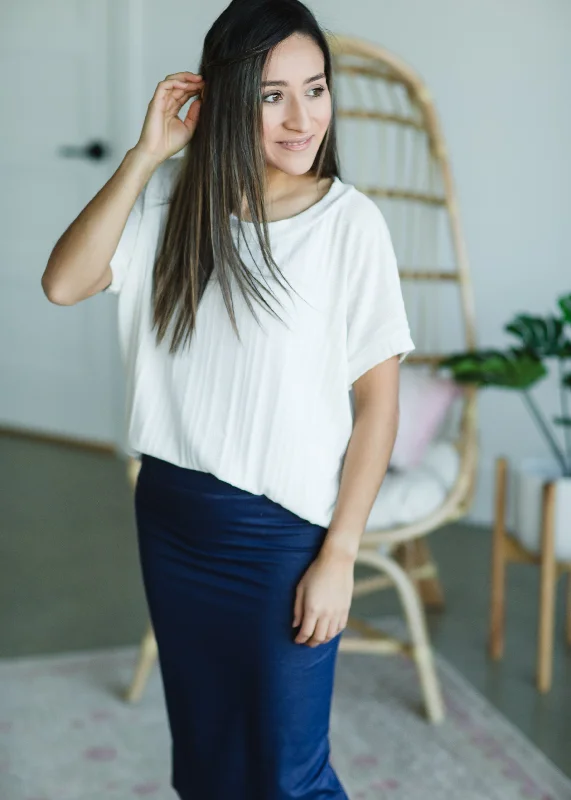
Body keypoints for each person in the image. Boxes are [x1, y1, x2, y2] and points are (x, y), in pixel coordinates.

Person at [41, 0, 415, 796]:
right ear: (220, 97)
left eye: (314, 89)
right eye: (270, 94)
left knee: (289, 774)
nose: (300, 117)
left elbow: (378, 405)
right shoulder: (172, 200)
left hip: (282, 533)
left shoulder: (349, 225)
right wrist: (146, 155)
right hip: (172, 516)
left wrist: (340, 554)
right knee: (209, 766)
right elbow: (64, 282)